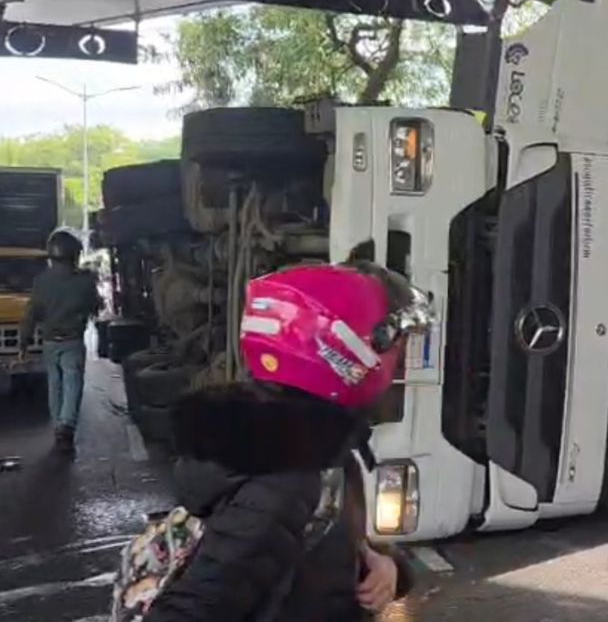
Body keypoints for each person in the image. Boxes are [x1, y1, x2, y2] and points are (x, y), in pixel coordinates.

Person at [142, 258, 431, 621]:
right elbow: (194, 607)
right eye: (395, 348)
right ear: (344, 350)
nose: (399, 362)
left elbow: (308, 552)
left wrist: (385, 565)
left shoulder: (312, 448)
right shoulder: (287, 479)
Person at [18, 228, 101, 457]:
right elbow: (96, 306)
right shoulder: (84, 282)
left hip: (49, 343)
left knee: (54, 385)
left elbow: (31, 312)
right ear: (74, 256)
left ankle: (58, 428)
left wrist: (23, 342)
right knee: (72, 384)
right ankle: (66, 427)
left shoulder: (41, 281)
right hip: (72, 341)